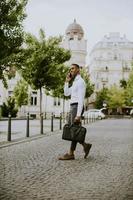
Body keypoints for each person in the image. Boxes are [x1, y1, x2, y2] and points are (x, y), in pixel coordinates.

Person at [58, 64, 92, 160]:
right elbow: (66, 93)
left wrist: (78, 115)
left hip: (77, 107)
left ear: (78, 70)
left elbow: (81, 99)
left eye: (73, 68)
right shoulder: (74, 83)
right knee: (74, 129)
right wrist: (66, 82)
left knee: (72, 129)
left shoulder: (80, 82)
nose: (71, 70)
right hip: (73, 106)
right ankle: (85, 145)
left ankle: (71, 153)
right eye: (70, 69)